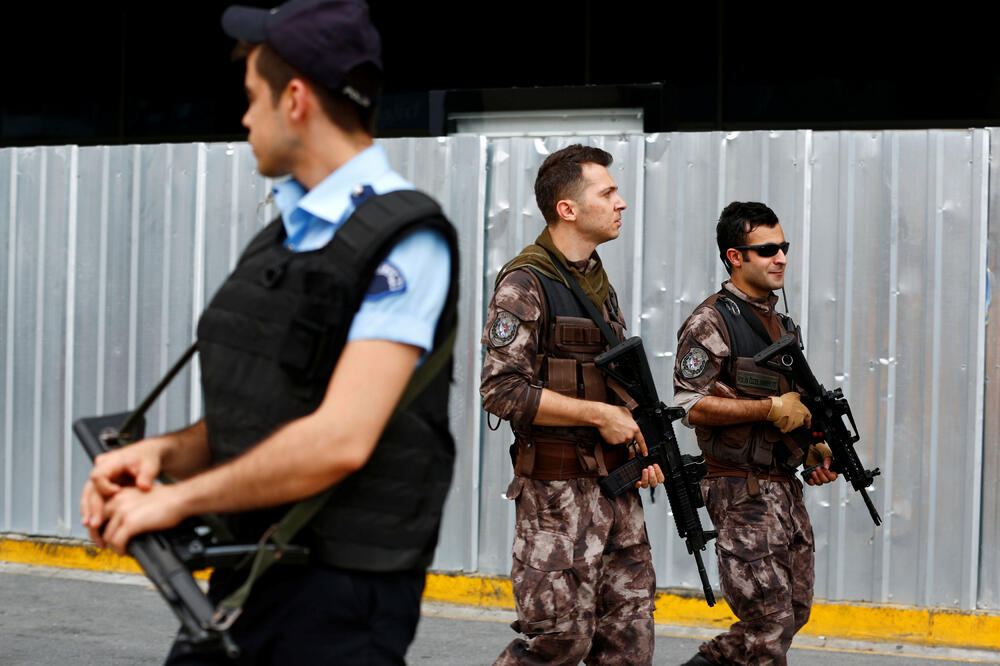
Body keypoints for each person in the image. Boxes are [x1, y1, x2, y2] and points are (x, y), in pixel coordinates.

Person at [79, 0, 458, 662]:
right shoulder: (284, 235)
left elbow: (338, 439)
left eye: (252, 97)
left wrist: (177, 501)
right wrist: (161, 457)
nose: (245, 116)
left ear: (296, 99)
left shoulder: (405, 240)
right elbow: (271, 411)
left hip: (337, 599)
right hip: (251, 574)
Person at [480, 143, 664, 665]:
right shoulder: (525, 284)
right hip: (557, 500)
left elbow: (610, 384)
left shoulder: (597, 286)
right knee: (559, 643)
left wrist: (639, 444)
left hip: (616, 490)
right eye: (607, 193)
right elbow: (501, 389)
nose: (620, 203)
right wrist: (601, 416)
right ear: (568, 208)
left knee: (629, 641)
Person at [673, 201, 837, 666]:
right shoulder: (713, 321)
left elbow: (794, 407)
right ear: (735, 256)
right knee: (767, 624)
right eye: (766, 249)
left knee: (792, 613)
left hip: (783, 488)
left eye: (782, 246)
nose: (780, 257)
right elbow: (689, 403)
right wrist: (769, 409)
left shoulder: (781, 323)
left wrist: (811, 447)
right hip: (740, 489)